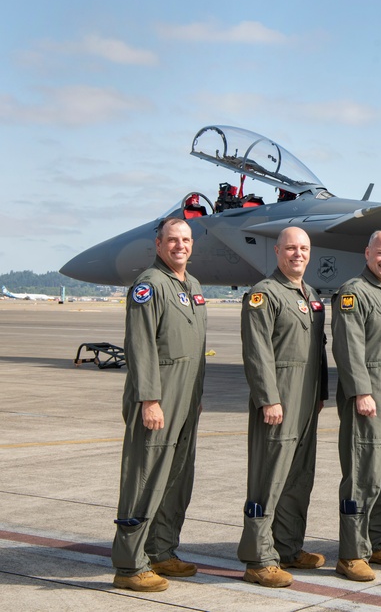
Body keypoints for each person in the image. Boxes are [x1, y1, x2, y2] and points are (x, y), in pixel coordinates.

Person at [111, 217, 207, 593]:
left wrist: (196, 396)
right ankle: (130, 564)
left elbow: (193, 348)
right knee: (145, 477)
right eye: (172, 240)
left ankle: (162, 550)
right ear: (158, 244)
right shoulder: (149, 286)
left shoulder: (192, 284)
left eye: (185, 239)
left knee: (177, 476)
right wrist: (150, 400)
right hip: (159, 395)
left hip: (187, 396)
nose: (179, 246)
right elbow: (140, 347)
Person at [238, 227, 329, 588]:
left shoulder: (310, 294)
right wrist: (268, 398)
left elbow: (317, 348)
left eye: (304, 248)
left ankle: (288, 547)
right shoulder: (265, 294)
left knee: (298, 477)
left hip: (307, 399)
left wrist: (321, 392)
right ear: (277, 251)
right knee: (269, 478)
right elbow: (257, 350)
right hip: (279, 398)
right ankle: (258, 558)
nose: (298, 254)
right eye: (291, 248)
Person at [330, 230, 381, 582]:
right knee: (363, 475)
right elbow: (348, 348)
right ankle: (352, 553)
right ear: (367, 253)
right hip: (369, 399)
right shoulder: (354, 293)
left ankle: (375, 540)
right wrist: (361, 392)